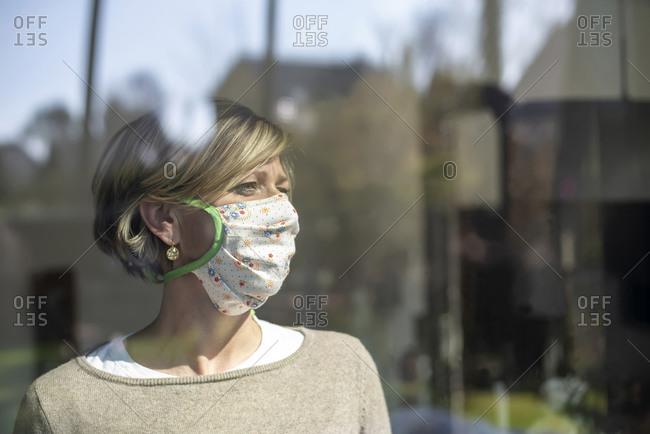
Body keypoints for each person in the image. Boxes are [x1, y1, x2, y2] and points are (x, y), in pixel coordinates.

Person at [14, 98, 391, 433]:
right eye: (248, 187)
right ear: (165, 219)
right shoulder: (63, 407)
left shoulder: (343, 366)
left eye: (283, 188)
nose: (282, 212)